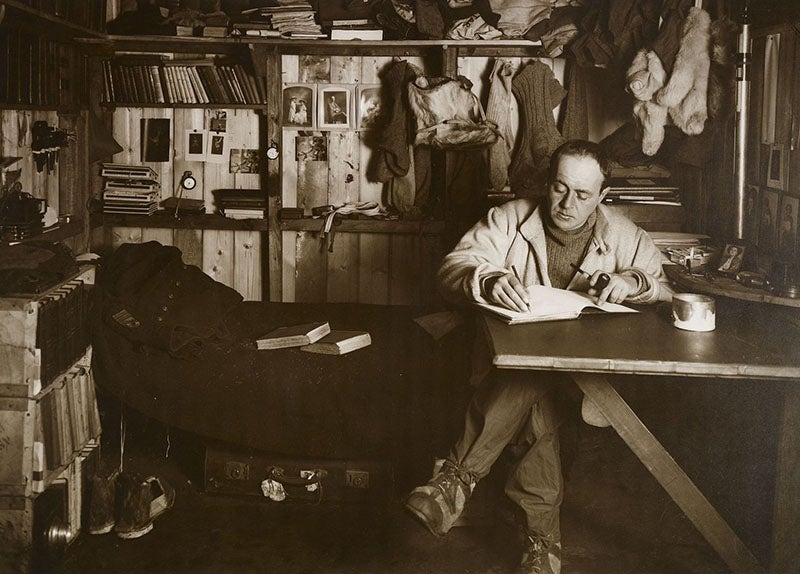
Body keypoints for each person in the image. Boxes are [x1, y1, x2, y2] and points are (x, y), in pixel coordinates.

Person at [404, 140, 673, 574]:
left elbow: (665, 288)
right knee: (535, 398)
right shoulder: (509, 218)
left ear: (603, 196)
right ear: (547, 183)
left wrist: (635, 280)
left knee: (531, 384)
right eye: (560, 188)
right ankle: (541, 546)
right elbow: (453, 267)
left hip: (585, 380)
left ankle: (455, 480)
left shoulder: (624, 234)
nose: (567, 203)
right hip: (518, 370)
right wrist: (486, 279)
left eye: (583, 195)